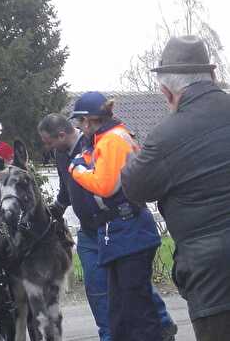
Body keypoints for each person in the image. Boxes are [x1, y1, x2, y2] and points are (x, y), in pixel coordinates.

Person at [121, 35, 230, 341]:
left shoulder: (166, 137)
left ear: (167, 92)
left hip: (213, 281)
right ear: (213, 75)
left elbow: (134, 187)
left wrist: (134, 155)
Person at [38, 113, 178, 341]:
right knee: (98, 292)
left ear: (61, 134)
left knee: (132, 284)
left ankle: (162, 325)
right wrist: (55, 209)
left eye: (48, 141)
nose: (47, 146)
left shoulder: (95, 145)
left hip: (113, 228)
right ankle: (109, 336)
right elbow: (66, 190)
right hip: (88, 234)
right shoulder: (61, 155)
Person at [66, 92, 164, 341]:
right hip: (122, 232)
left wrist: (76, 170)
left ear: (88, 120)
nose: (79, 128)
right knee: (120, 311)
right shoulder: (109, 138)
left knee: (136, 310)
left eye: (80, 122)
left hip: (128, 231)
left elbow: (105, 186)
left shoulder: (111, 140)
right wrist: (84, 159)